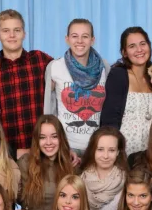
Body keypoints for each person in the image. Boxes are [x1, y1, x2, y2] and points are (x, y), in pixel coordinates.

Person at [0, 9, 52, 158]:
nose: (12, 35)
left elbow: (66, 73)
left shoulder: (39, 59)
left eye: (17, 30)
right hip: (7, 151)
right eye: (6, 31)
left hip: (41, 148)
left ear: (24, 34)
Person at [45, 18, 109, 157]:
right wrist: (60, 147)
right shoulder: (55, 67)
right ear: (67, 39)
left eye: (85, 36)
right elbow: (49, 110)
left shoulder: (104, 67)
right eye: (74, 36)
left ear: (92, 40)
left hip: (97, 148)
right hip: (67, 148)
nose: (79, 41)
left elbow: (108, 109)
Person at [101, 27, 152, 155]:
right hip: (123, 152)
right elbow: (109, 119)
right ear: (124, 53)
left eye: (143, 44)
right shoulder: (118, 75)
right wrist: (111, 152)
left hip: (150, 154)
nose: (139, 50)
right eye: (132, 46)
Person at [17, 115, 75, 210]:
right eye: (42, 137)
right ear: (37, 140)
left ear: (61, 138)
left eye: (54, 136)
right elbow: (12, 204)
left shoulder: (71, 164)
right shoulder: (25, 163)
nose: (48, 142)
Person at [80, 126, 129, 210]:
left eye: (111, 150)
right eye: (100, 149)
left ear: (118, 152)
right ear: (93, 150)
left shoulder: (127, 181)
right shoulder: (80, 178)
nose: (105, 156)